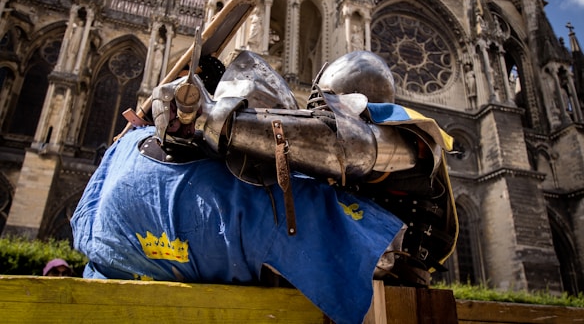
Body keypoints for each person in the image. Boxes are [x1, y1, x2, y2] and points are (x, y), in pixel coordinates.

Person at [72, 50, 456, 324]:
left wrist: (212, 119)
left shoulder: (406, 134)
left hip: (386, 257)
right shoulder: (298, 194)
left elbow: (347, 148)